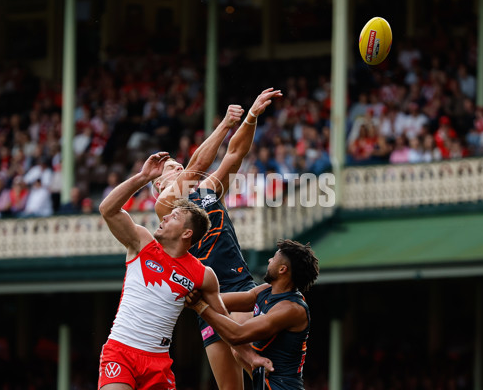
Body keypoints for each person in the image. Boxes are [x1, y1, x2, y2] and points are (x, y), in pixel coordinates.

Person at [97, 151, 270, 390]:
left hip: (158, 362)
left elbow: (222, 321)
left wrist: (250, 357)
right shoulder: (141, 243)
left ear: (187, 233)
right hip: (121, 351)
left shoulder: (202, 274)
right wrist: (143, 176)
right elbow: (107, 209)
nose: (164, 218)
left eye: (174, 216)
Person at [154, 88, 282, 389]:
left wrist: (250, 117)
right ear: (158, 184)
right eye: (171, 168)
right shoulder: (165, 205)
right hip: (206, 301)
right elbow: (196, 167)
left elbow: (235, 154)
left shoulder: (208, 190)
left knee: (258, 370)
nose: (178, 168)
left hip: (237, 287)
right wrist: (225, 123)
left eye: (177, 165)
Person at [186, 239, 320, 390]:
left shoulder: (291, 309)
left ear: (282, 269)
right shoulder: (265, 290)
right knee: (239, 348)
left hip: (283, 387)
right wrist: (190, 290)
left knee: (238, 341)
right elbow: (219, 301)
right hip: (264, 384)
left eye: (274, 257)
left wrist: (199, 306)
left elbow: (236, 335)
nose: (269, 260)